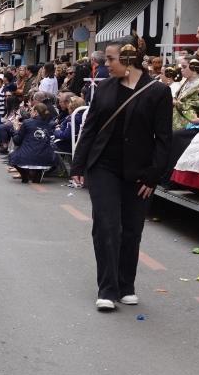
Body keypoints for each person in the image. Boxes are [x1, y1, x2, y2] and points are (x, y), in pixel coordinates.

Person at [71, 37, 172, 311]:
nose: (106, 64)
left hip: (139, 172)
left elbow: (164, 139)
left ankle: (126, 284)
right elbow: (90, 128)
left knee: (131, 230)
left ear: (128, 59)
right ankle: (107, 288)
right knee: (105, 226)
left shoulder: (158, 92)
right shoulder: (104, 89)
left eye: (111, 59)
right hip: (103, 167)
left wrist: (153, 176)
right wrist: (78, 165)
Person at [8, 103, 57, 183]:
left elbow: (17, 141)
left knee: (12, 156)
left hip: (27, 155)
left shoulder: (27, 123)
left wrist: (16, 129)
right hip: (46, 157)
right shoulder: (50, 124)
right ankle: (37, 174)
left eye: (31, 110)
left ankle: (25, 175)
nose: (30, 112)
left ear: (36, 112)